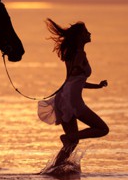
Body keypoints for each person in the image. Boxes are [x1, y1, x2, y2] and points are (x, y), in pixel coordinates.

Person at [44, 18, 109, 166]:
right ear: (80, 36)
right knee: (102, 129)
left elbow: (74, 80)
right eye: (86, 32)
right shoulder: (79, 53)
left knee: (71, 143)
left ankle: (55, 169)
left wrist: (97, 86)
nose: (89, 34)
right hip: (72, 99)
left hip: (64, 96)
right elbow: (74, 76)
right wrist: (77, 67)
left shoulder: (72, 52)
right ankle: (69, 137)